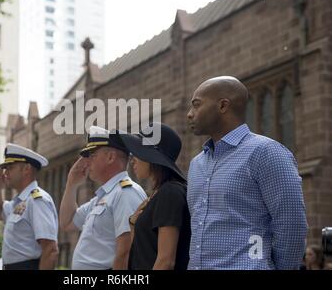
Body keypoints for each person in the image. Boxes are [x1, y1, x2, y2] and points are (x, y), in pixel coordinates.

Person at [186, 76, 308, 270]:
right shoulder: (196, 164)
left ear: (223, 105)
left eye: (196, 105)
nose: (189, 114)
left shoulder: (266, 153)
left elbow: (291, 224)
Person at [60, 126, 147, 270]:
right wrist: (71, 184)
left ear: (111, 157)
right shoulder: (103, 197)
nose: (87, 162)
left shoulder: (126, 193)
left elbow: (126, 251)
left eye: (92, 155)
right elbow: (67, 223)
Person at [116, 123, 191, 270]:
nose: (132, 160)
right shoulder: (160, 193)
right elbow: (143, 252)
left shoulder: (170, 192)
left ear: (152, 157)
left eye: (137, 152)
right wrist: (133, 225)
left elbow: (165, 261)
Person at [0, 143, 58, 270]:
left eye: (10, 167)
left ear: (26, 169)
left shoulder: (38, 200)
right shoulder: (18, 202)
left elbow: (50, 249)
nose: (5, 173)